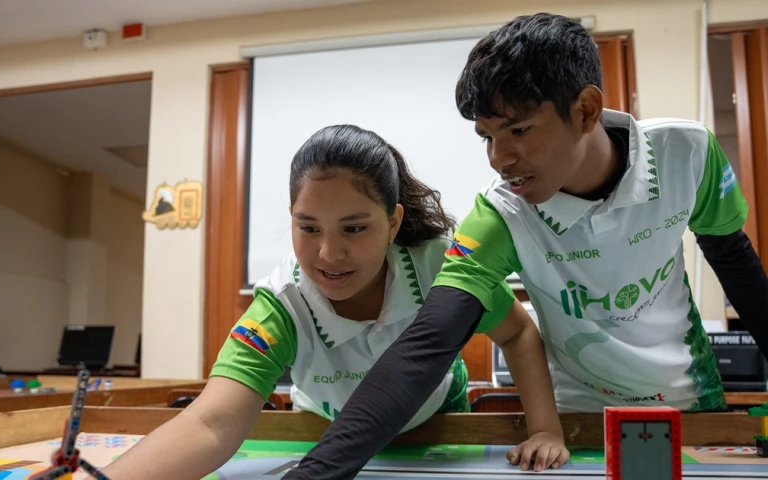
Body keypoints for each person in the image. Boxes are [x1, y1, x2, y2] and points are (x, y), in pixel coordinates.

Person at [282, 13, 768, 480]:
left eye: (518, 130)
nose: (499, 158)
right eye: (486, 137)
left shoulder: (687, 153)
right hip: (580, 417)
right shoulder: (501, 214)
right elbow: (428, 342)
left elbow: (735, 262)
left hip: (689, 403)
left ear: (586, 110)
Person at [93, 124, 568, 479]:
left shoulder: (442, 265)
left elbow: (517, 332)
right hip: (326, 436)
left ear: (394, 222)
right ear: (292, 218)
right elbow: (211, 423)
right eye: (308, 227)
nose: (328, 253)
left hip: (438, 426)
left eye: (354, 228)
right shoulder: (282, 303)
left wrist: (546, 429)